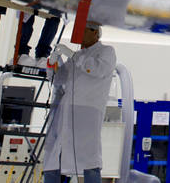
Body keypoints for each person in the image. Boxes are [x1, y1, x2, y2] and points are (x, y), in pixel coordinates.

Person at [42, 21, 117, 183]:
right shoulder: (77, 56)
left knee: (88, 159)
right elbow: (59, 79)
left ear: (95, 32)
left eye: (83, 31)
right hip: (65, 111)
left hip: (87, 112)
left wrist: (73, 55)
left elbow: (97, 69)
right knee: (54, 156)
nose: (79, 36)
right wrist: (54, 61)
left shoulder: (106, 52)